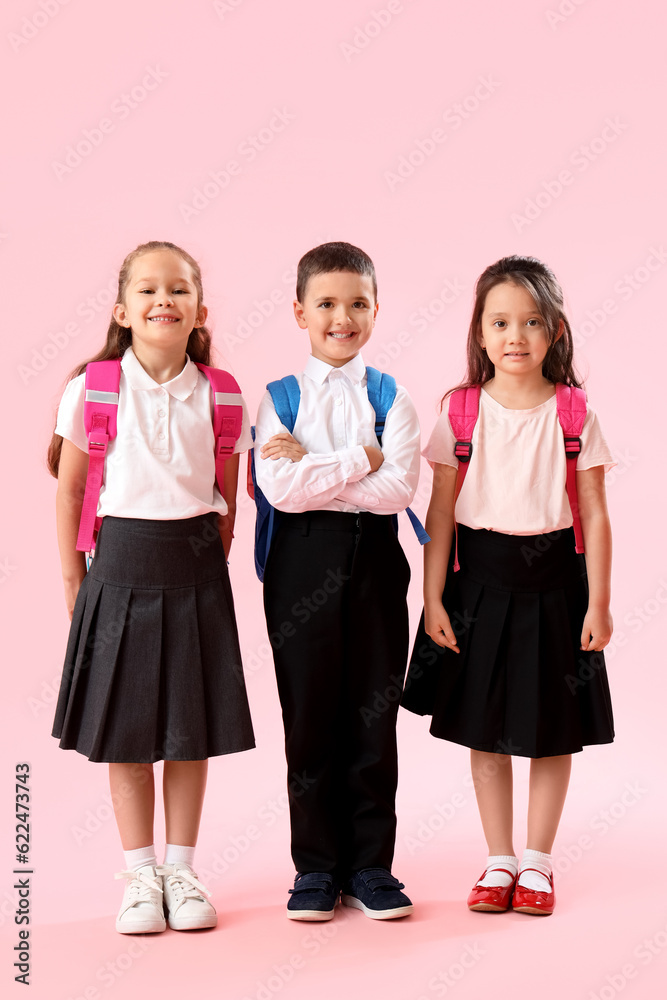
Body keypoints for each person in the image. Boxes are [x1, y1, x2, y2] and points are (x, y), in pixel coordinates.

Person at [49, 241, 255, 933]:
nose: (162, 297)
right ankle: (140, 874)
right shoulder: (95, 388)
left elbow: (228, 496)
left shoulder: (223, 394)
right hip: (119, 568)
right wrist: (77, 583)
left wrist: (210, 566)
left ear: (201, 311)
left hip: (196, 569)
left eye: (178, 288)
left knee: (189, 730)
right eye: (147, 289)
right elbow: (73, 487)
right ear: (123, 310)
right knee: (127, 732)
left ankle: (181, 870)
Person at [404, 255, 614, 916]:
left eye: (530, 321)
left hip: (558, 581)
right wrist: (431, 597)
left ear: (554, 331)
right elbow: (439, 512)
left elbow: (597, 511)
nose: (514, 335)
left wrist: (600, 601)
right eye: (500, 321)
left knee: (553, 728)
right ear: (480, 332)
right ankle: (498, 861)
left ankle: (538, 864)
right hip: (478, 583)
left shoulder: (573, 413)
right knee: (484, 727)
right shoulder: (460, 412)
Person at [254, 242, 420, 920]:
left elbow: (397, 490)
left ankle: (372, 866)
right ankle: (316, 869)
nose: (340, 317)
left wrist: (322, 467)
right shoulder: (278, 400)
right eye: (325, 303)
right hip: (300, 565)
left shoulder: (393, 396)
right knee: (310, 717)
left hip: (376, 562)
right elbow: (281, 492)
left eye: (356, 303)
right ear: (300, 312)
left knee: (372, 717)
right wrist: (361, 456)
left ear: (375, 311)